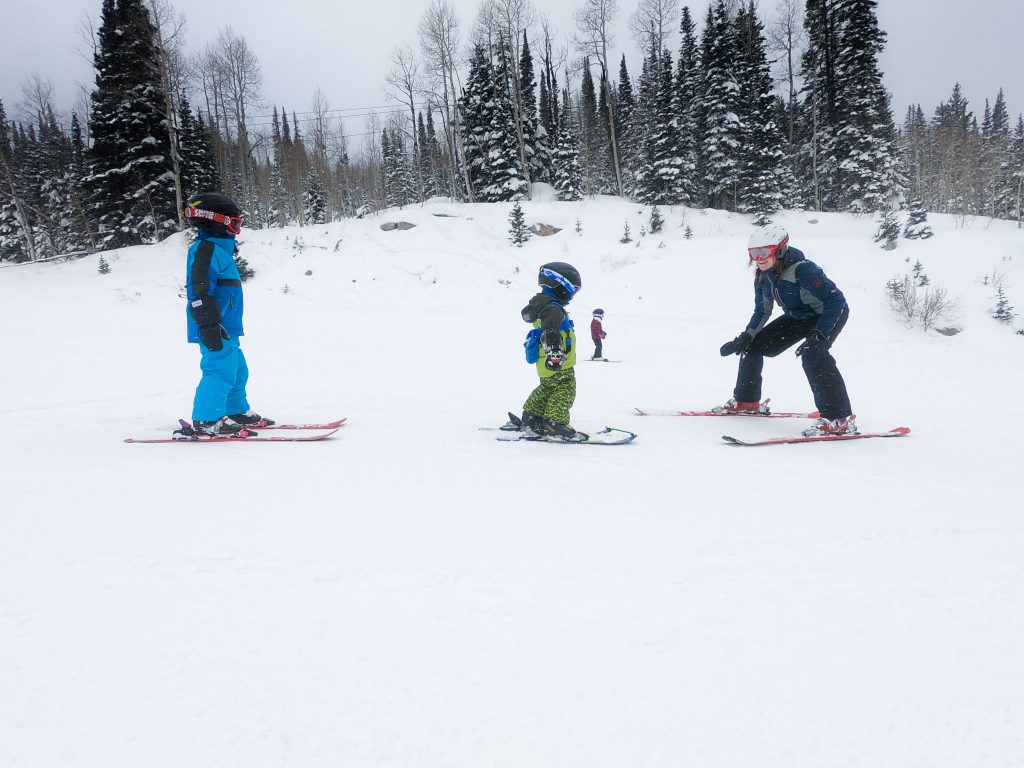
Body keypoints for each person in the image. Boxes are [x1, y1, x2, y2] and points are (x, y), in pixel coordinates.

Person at [716, 224, 856, 436]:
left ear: (779, 250)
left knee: (813, 354)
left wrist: (820, 333)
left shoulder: (803, 269)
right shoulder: (763, 275)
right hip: (799, 317)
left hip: (829, 314)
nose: (759, 258)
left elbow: (836, 300)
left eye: (764, 252)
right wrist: (746, 336)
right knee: (752, 347)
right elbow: (762, 310)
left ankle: (838, 418)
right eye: (754, 253)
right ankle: (747, 401)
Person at [183, 192, 274, 435]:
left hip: (227, 325)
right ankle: (206, 419)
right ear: (211, 221)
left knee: (237, 369)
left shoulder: (220, 251)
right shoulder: (206, 251)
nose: (236, 229)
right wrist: (208, 325)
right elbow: (199, 291)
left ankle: (235, 410)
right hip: (213, 325)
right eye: (233, 223)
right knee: (220, 370)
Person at [504, 262, 585, 441]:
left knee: (547, 389)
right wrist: (555, 354)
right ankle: (555, 423)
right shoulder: (553, 308)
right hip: (558, 362)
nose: (572, 295)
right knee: (565, 389)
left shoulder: (542, 304)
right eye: (573, 290)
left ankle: (532, 417)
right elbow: (551, 332)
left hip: (545, 363)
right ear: (561, 285)